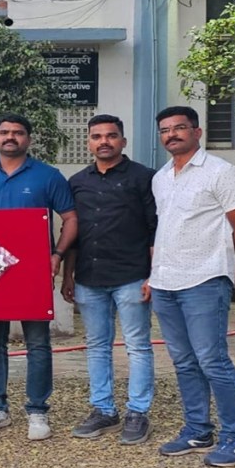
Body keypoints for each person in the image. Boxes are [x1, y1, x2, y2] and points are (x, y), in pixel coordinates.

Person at [148, 106, 235, 467]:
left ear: (197, 132)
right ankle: (198, 430)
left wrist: (222, 262)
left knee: (213, 360)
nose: (172, 135)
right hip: (165, 283)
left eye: (179, 128)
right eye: (165, 130)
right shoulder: (161, 178)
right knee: (183, 362)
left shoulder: (222, 172)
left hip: (204, 282)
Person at [0, 113, 77, 441]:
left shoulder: (48, 175)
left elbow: (70, 218)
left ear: (28, 139)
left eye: (17, 132)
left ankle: (37, 410)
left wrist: (56, 255)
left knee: (38, 343)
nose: (10, 137)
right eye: (4, 132)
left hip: (33, 272)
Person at [60, 115, 156, 445]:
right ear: (88, 142)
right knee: (97, 346)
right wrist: (69, 274)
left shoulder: (143, 178)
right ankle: (103, 409)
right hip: (89, 277)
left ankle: (138, 412)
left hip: (131, 276)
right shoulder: (77, 182)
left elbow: (155, 229)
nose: (104, 141)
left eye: (111, 136)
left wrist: (153, 275)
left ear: (123, 141)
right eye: (97, 136)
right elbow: (74, 233)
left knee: (137, 346)